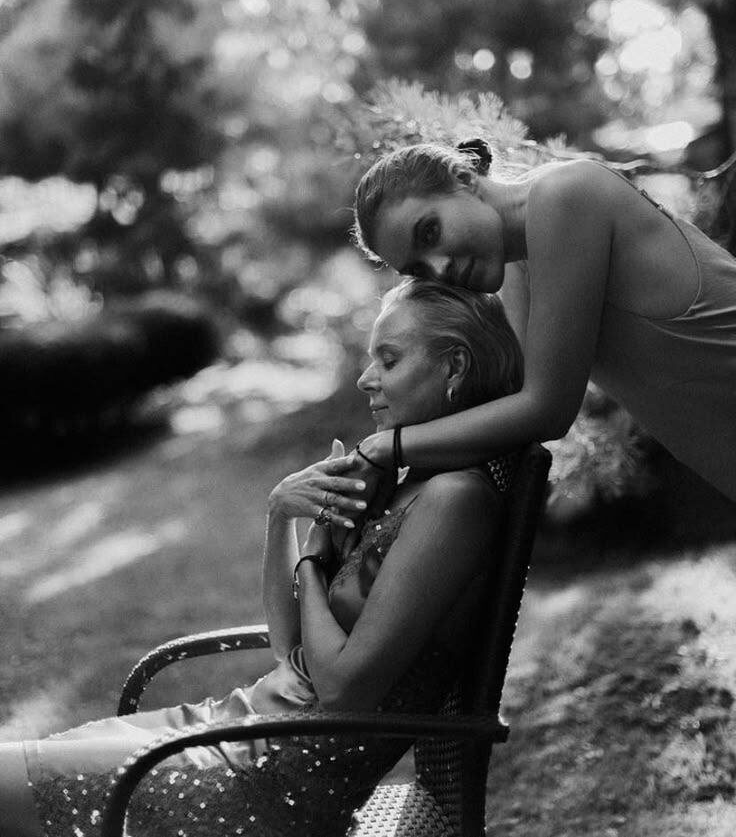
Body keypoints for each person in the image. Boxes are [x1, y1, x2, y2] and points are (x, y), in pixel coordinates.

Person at [0, 279, 523, 837]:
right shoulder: (407, 486)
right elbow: (289, 648)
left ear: (455, 366)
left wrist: (314, 558)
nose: (365, 378)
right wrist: (283, 515)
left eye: (388, 360)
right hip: (238, 727)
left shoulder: (455, 501)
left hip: (268, 778)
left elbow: (345, 692)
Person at [350, 140, 736, 504]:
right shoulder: (521, 261)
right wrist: (376, 449)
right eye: (419, 270)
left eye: (430, 232)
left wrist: (388, 448)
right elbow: (507, 403)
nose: (440, 268)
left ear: (464, 178)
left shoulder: (565, 196)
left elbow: (546, 410)